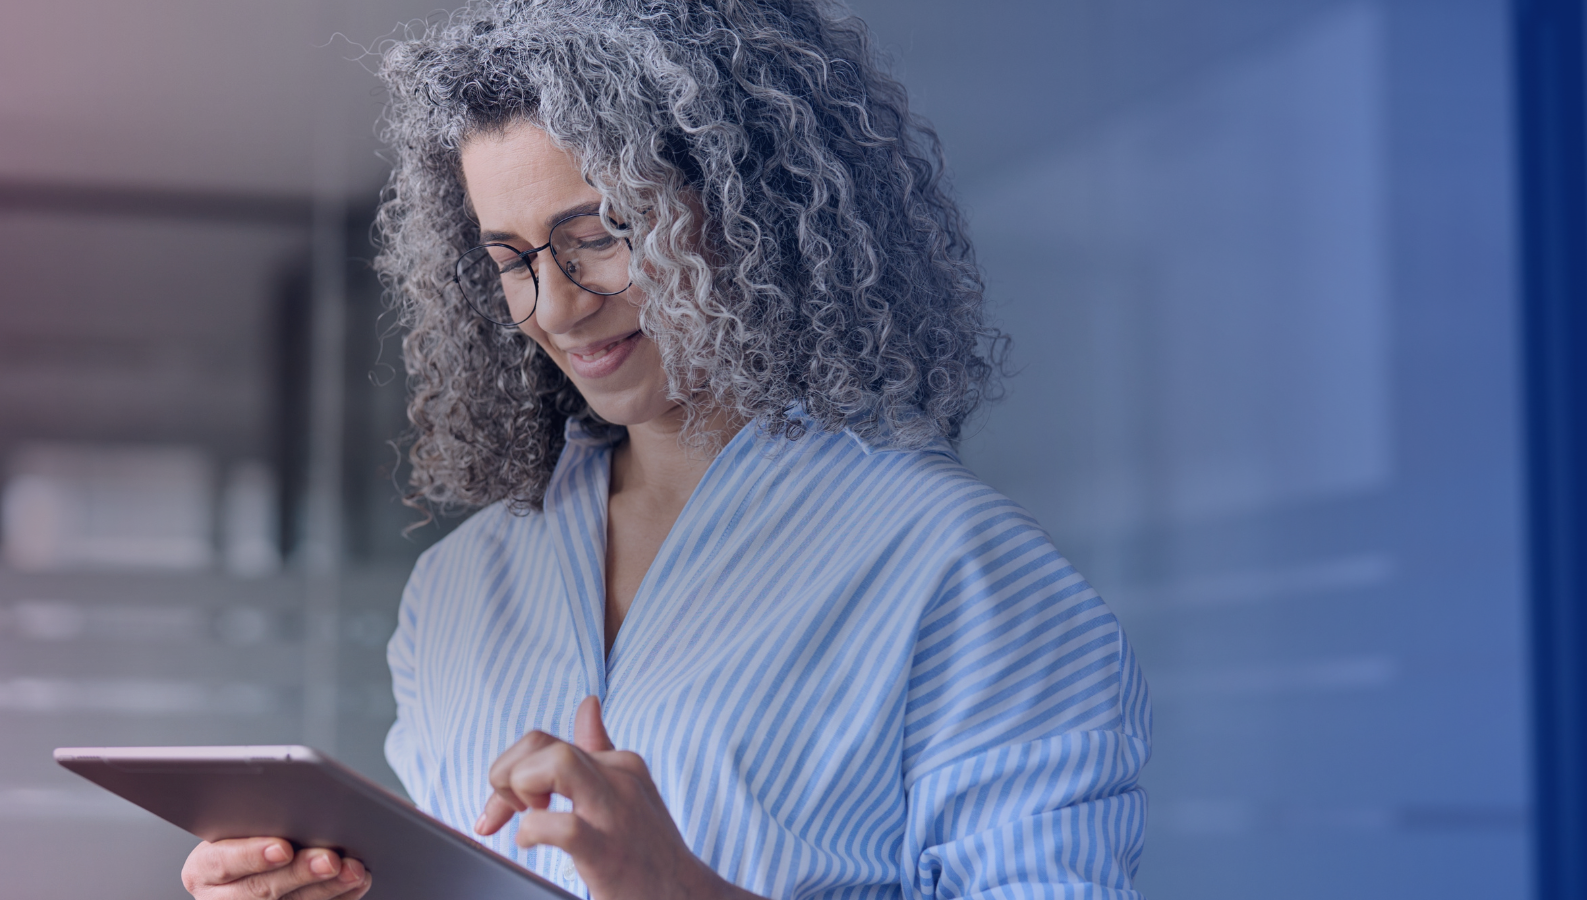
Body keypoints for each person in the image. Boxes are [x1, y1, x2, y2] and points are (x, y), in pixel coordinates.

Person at [181, 1, 1150, 898]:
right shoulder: (456, 589)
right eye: (510, 259)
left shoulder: (959, 565)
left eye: (601, 234)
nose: (555, 306)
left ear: (749, 206)